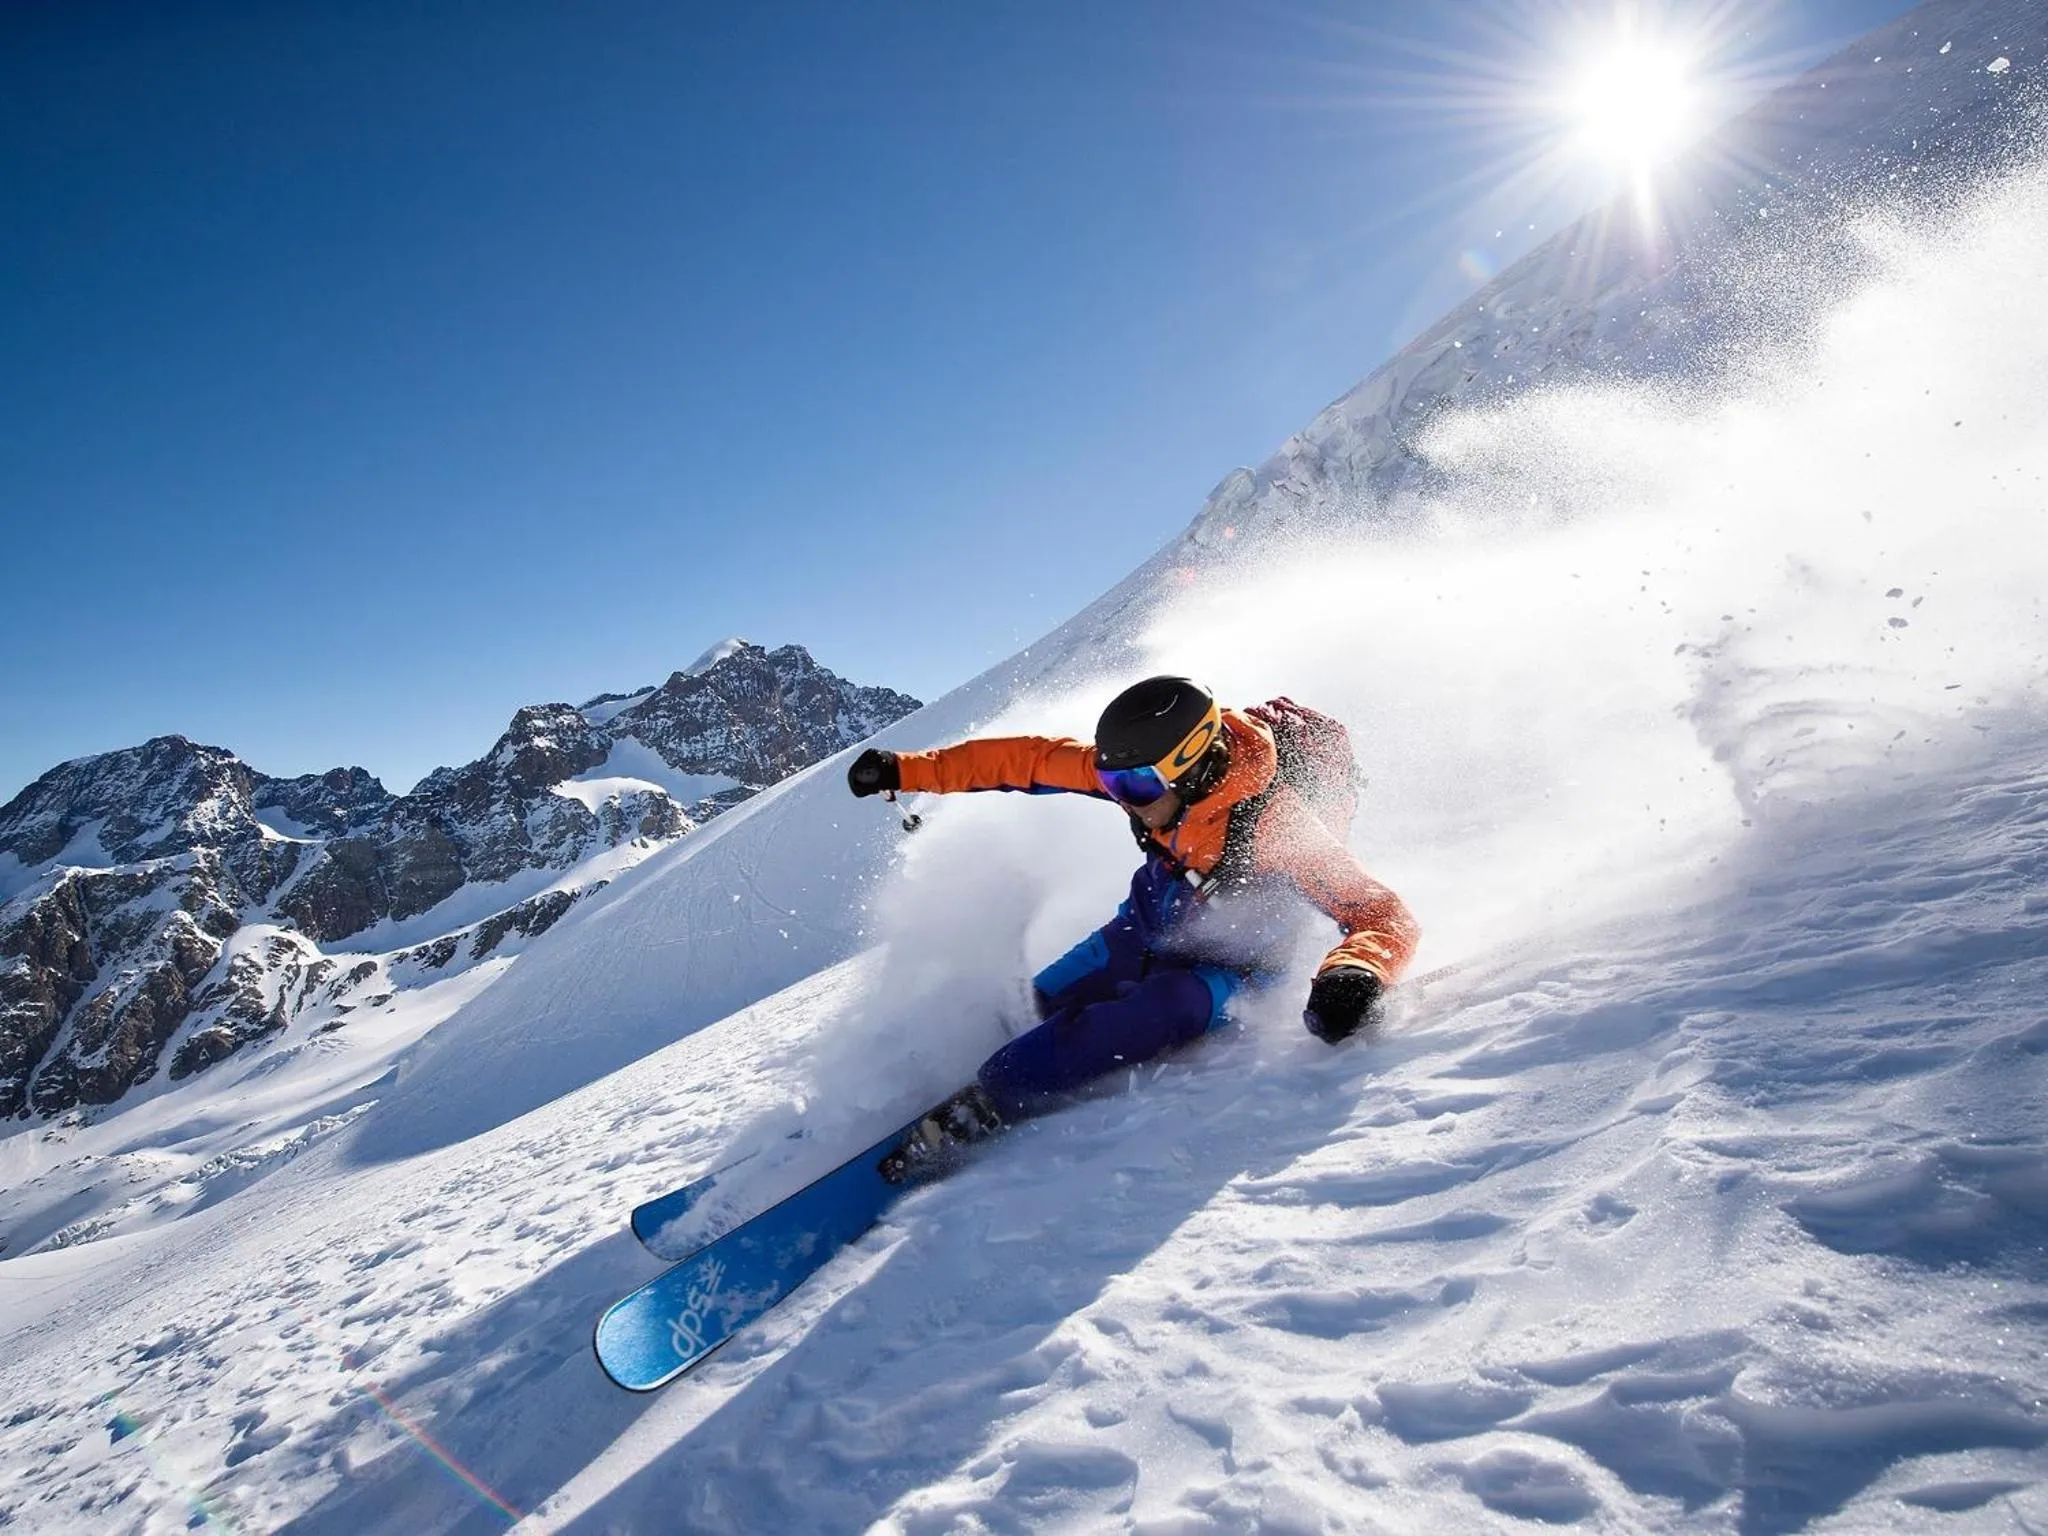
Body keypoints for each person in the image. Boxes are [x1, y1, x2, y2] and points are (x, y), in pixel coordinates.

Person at [846, 676, 1420, 1131]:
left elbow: (1381, 912)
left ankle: (995, 1095)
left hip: (1235, 971)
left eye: (1137, 790)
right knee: (1035, 1006)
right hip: (1140, 930)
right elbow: (1025, 759)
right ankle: (984, 1062)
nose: (1125, 801)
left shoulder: (1276, 825)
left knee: (1152, 1011)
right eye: (1114, 785)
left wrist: (1355, 971)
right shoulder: (1141, 775)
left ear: (1194, 769)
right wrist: (908, 769)